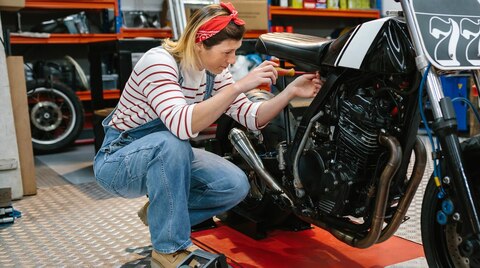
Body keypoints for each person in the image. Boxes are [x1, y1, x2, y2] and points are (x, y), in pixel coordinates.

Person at [93, 3, 322, 267]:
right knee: (172, 142)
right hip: (118, 160)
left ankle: (163, 210)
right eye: (228, 52)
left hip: (168, 153)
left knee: (234, 185)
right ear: (199, 44)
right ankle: (168, 250)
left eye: (235, 52)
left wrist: (290, 92)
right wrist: (238, 86)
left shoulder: (213, 73)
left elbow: (251, 117)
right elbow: (181, 125)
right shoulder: (158, 63)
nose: (232, 60)